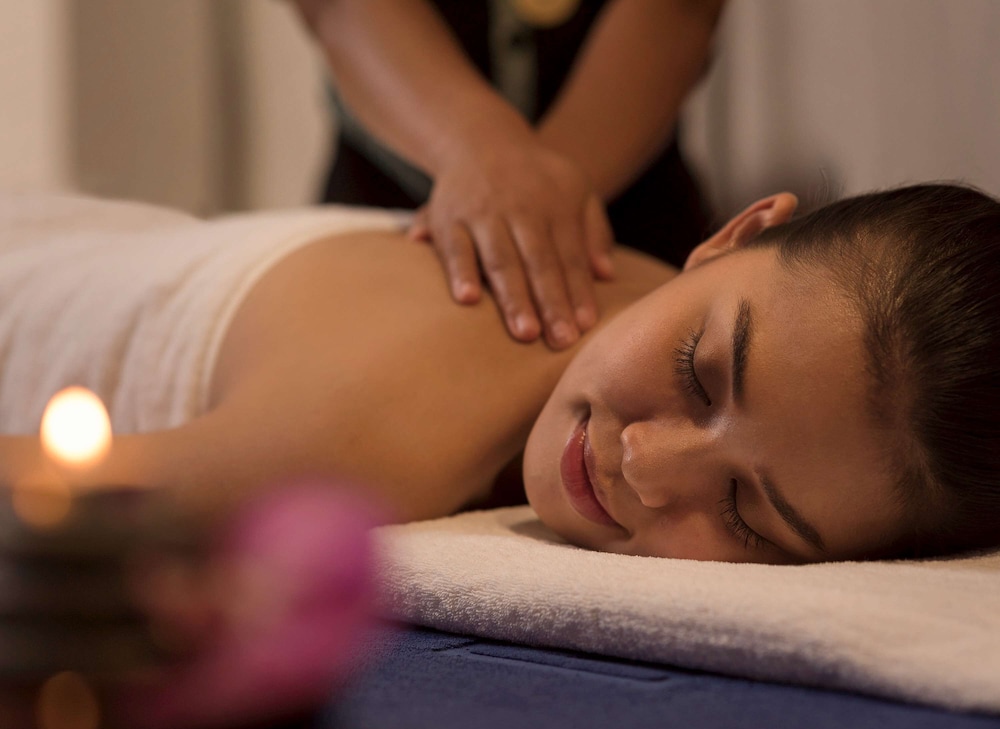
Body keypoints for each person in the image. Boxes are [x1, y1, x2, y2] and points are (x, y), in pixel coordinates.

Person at [1, 182, 998, 566]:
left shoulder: (666, 288)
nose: (645, 466)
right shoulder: (373, 434)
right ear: (735, 233)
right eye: (698, 376)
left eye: (745, 513)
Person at [287, 0, 724, 349]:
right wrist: (479, 152)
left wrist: (534, 200)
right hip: (384, 211)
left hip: (628, 220)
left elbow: (682, 10)